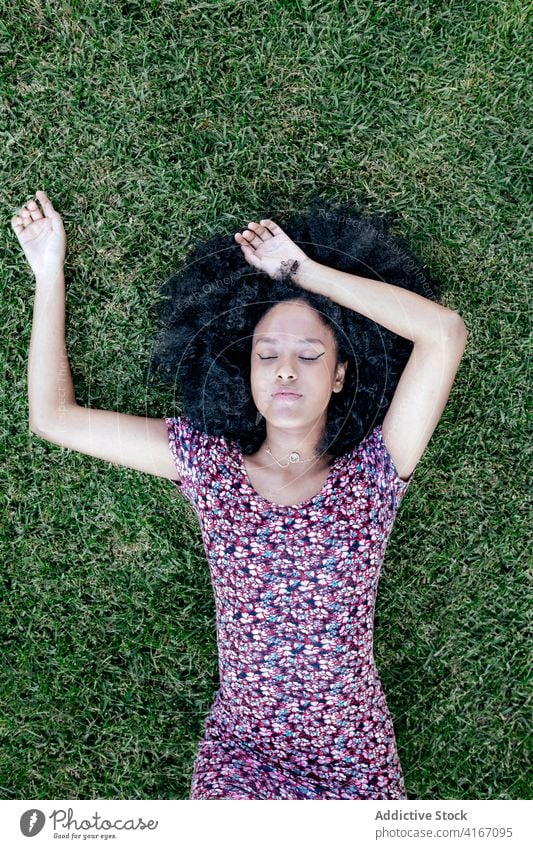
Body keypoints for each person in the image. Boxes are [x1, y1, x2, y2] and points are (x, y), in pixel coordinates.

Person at [12, 190, 468, 799]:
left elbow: (443, 333)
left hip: (353, 759)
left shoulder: (375, 472)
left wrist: (300, 271)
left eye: (309, 356)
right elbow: (53, 416)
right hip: (242, 755)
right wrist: (48, 269)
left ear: (339, 376)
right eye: (267, 355)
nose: (285, 370)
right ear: (246, 372)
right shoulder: (208, 465)